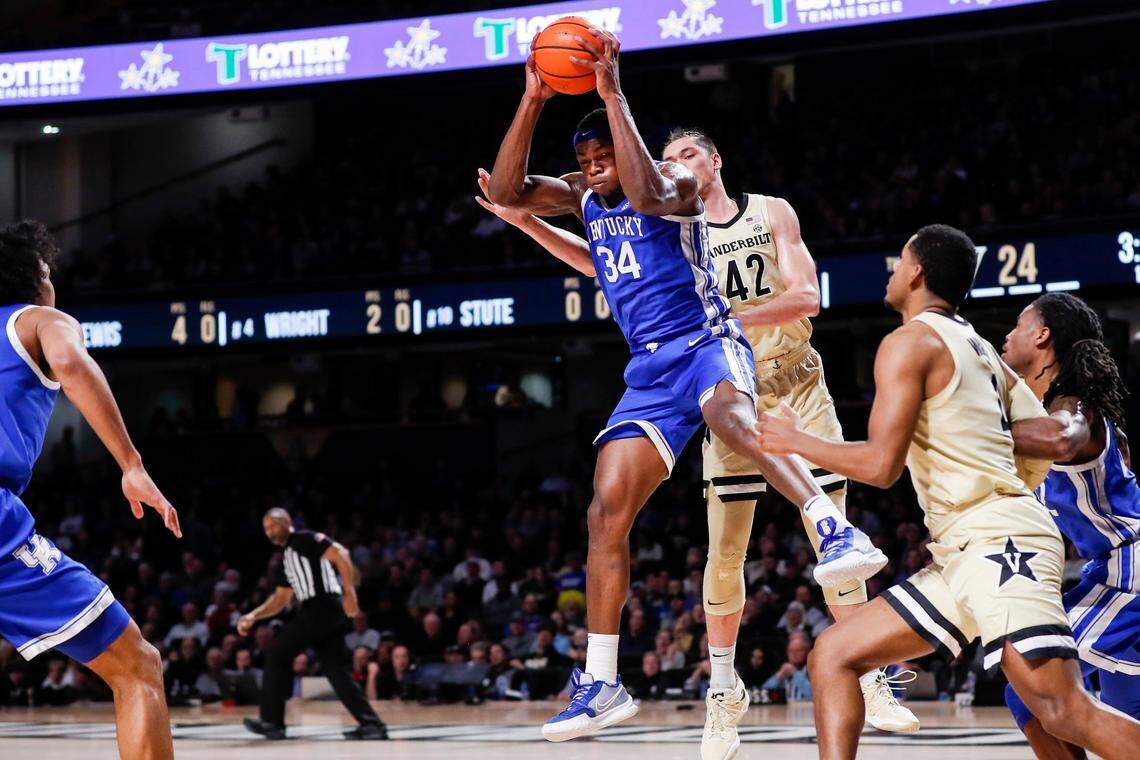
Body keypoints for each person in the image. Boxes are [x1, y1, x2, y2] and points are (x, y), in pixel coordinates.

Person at [483, 25, 883, 744]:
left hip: (707, 342)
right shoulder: (585, 194)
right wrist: (532, 98)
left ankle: (831, 529)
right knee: (606, 508)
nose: (598, 166)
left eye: (605, 152)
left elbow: (643, 185)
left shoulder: (678, 183)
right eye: (588, 159)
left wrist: (611, 94)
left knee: (734, 420)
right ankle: (602, 682)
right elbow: (510, 187)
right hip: (648, 369)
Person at [756, 224, 1140, 760]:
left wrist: (796, 441)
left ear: (915, 272)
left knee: (1062, 709)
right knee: (834, 654)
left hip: (1003, 543)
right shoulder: (983, 350)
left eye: (898, 263)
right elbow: (1031, 462)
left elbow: (881, 466)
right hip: (966, 546)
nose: (891, 273)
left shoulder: (909, 343)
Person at [0, 220, 180, 759]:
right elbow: (73, 363)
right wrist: (131, 462)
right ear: (36, 276)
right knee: (138, 666)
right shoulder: (40, 319)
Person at [1001, 293, 1140, 758]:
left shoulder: (1074, 408)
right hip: (1108, 571)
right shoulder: (1053, 409)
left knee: (1035, 682)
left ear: (1042, 336)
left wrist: (974, 428)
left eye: (1019, 325)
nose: (1008, 334)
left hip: (1130, 567)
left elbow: (1062, 438)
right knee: (1109, 710)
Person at [237, 508, 387, 741]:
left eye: (273, 525)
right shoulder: (287, 557)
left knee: (276, 654)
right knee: (336, 671)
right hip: (323, 612)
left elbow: (341, 553)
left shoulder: (303, 539)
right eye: (266, 528)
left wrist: (350, 592)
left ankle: (272, 722)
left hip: (322, 606)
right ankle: (372, 725)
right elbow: (281, 598)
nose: (269, 531)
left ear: (287, 521)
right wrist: (253, 616)